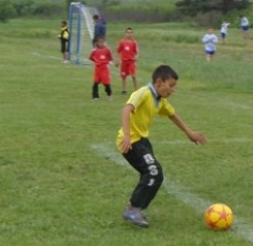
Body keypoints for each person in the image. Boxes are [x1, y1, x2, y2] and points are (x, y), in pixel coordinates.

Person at [117, 65, 207, 227]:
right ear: (159, 82)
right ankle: (133, 209)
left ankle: (135, 208)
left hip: (143, 141)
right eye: (170, 85)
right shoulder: (144, 93)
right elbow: (126, 110)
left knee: (153, 174)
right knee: (154, 171)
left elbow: (173, 115)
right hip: (131, 141)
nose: (172, 90)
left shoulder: (160, 99)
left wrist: (189, 132)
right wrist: (127, 135)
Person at [116, 27, 139, 94]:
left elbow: (137, 52)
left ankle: (136, 90)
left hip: (131, 62)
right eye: (128, 32)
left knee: (133, 76)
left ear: (132, 34)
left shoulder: (134, 42)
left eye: (130, 32)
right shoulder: (122, 42)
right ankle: (124, 90)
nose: (129, 34)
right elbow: (118, 51)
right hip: (124, 62)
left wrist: (136, 57)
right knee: (123, 76)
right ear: (125, 33)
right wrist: (117, 60)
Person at [89, 36, 113, 101]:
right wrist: (96, 61)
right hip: (97, 68)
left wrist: (106, 61)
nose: (101, 43)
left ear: (104, 42)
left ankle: (109, 94)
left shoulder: (107, 50)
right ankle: (95, 97)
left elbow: (111, 58)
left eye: (102, 42)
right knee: (95, 82)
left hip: (105, 68)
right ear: (97, 42)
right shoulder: (94, 50)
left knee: (106, 83)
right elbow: (90, 57)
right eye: (99, 42)